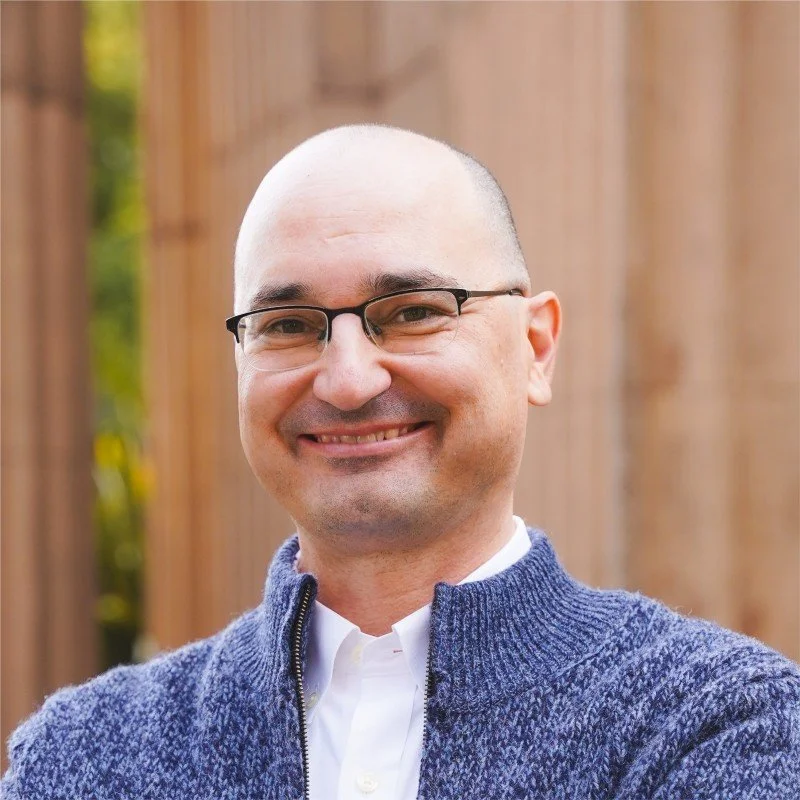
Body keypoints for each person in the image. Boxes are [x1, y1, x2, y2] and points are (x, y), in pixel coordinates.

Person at [3, 125, 799, 799]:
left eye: (414, 311)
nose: (347, 381)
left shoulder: (719, 721)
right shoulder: (84, 757)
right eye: (288, 324)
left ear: (535, 348)